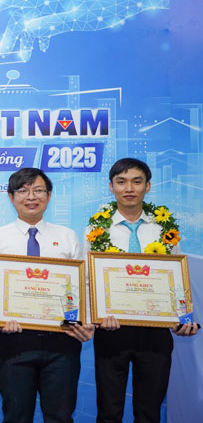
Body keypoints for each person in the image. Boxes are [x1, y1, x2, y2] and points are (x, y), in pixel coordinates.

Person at [85, 158, 198, 423]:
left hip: (155, 331)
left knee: (149, 411)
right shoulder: (96, 229)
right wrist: (95, 318)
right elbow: (90, 279)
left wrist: (183, 319)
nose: (129, 188)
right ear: (111, 187)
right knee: (109, 411)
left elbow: (177, 279)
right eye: (121, 182)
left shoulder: (164, 227)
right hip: (112, 329)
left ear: (147, 186)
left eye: (137, 182)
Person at [0, 167, 94, 423]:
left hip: (62, 340)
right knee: (16, 415)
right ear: (11, 197)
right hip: (15, 340)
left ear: (49, 195)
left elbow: (82, 284)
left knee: (60, 416)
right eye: (23, 191)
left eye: (38, 190)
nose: (31, 197)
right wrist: (0, 315)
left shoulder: (67, 236)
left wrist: (86, 321)